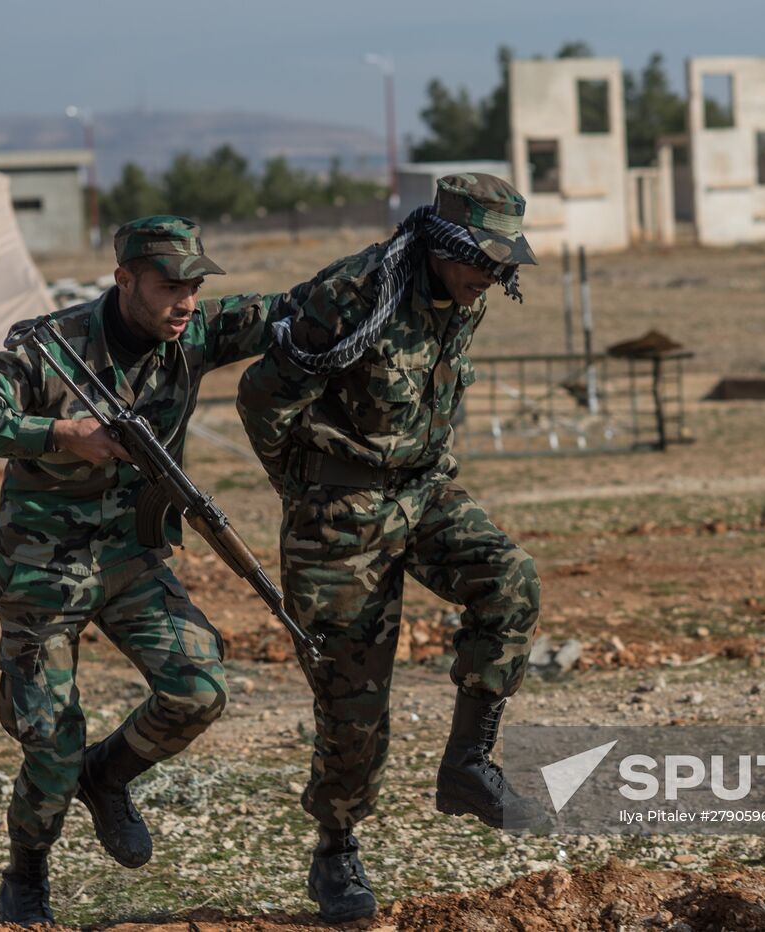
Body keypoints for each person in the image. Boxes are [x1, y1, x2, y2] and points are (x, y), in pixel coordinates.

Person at [0, 216, 278, 926]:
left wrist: (405, 263)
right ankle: (27, 870)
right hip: (42, 571)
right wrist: (60, 434)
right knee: (50, 748)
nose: (184, 301)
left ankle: (108, 775)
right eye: (167, 286)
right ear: (124, 281)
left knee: (200, 688)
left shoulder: (194, 335)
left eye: (193, 285)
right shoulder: (49, 350)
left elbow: (292, 308)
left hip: (130, 559)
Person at [237, 174, 545, 924]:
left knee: (510, 581)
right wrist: (307, 493)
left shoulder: (464, 295)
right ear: (445, 245)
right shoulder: (356, 293)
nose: (495, 278)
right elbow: (261, 397)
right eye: (485, 261)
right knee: (354, 699)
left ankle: (467, 765)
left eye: (505, 266)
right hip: (339, 513)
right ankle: (336, 849)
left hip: (423, 490)